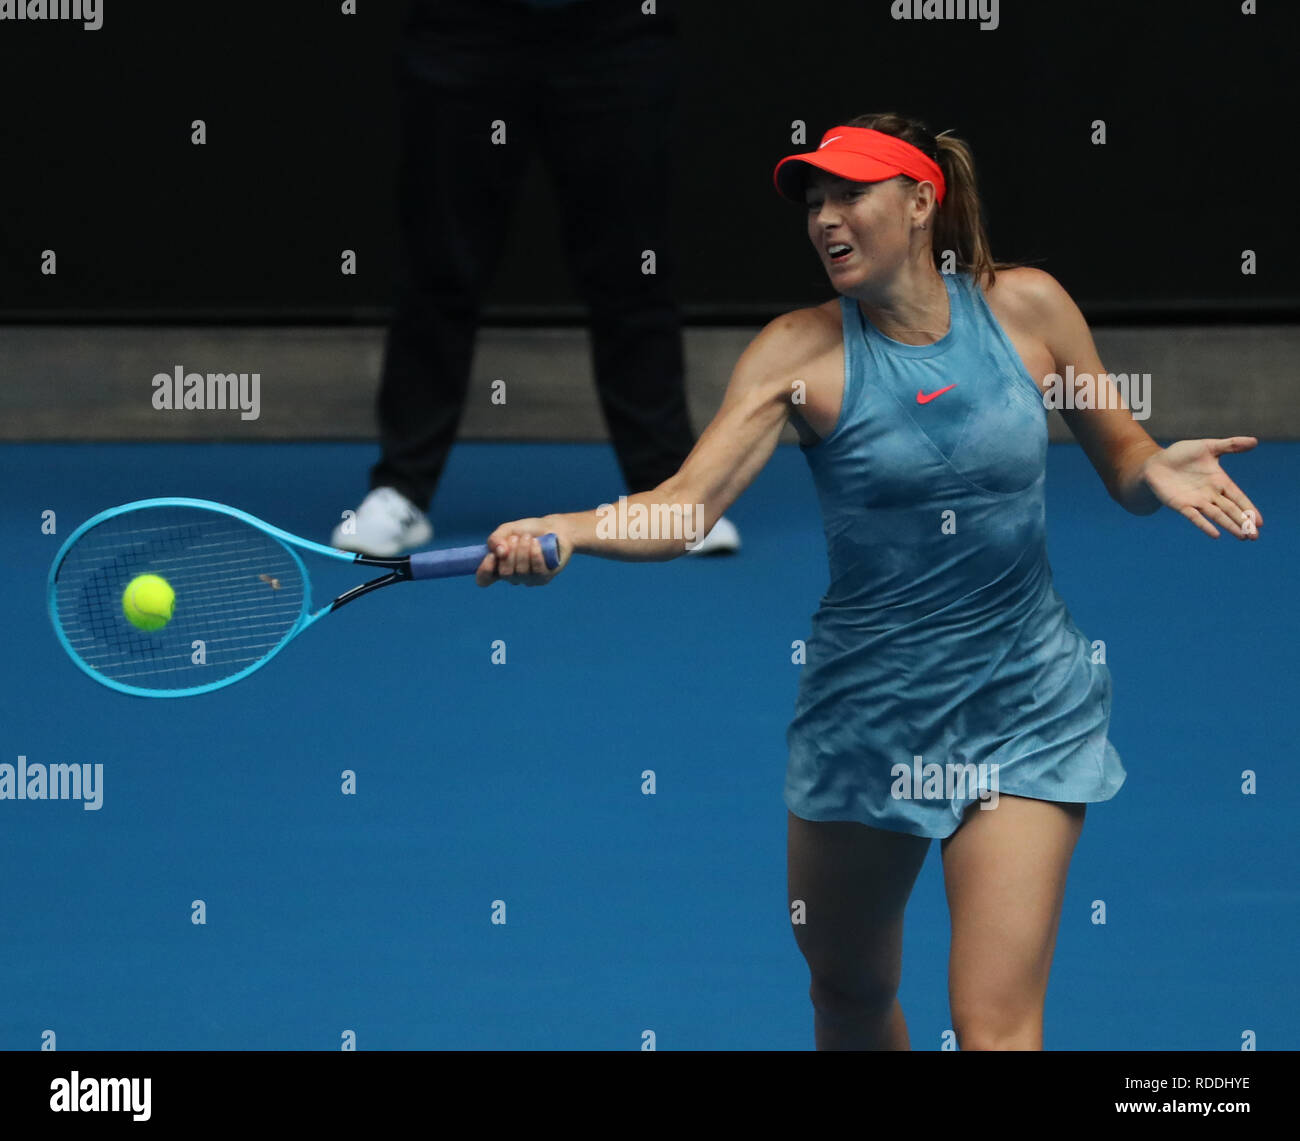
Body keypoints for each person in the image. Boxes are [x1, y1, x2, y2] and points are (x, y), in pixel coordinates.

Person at [472, 112, 1263, 1049]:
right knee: (847, 992)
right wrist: (569, 528)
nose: (825, 218)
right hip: (868, 718)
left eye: (851, 192)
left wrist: (1155, 470)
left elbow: (1121, 454)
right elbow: (684, 508)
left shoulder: (1033, 310)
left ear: (922, 200)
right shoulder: (796, 356)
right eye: (814, 200)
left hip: (1029, 703)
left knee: (995, 1026)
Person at [331, 0, 739, 558]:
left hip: (615, 35)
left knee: (632, 270)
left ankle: (665, 494)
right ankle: (401, 489)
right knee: (438, 268)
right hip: (463, 34)